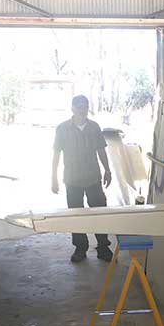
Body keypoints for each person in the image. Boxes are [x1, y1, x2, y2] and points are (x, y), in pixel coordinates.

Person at [51, 95, 114, 262]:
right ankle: (80, 248)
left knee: (99, 213)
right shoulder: (62, 129)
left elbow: (101, 150)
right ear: (72, 108)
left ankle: (103, 246)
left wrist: (108, 170)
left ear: (88, 108)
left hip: (93, 178)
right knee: (76, 216)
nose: (82, 109)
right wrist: (53, 178)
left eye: (85, 106)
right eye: (78, 106)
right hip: (72, 180)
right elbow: (56, 154)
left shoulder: (94, 127)